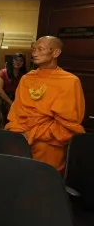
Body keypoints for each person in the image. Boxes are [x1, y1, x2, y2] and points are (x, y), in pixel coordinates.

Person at [6, 36, 85, 172]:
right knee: (16, 180)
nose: (34, 53)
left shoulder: (70, 81)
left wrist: (33, 133)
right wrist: (18, 131)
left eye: (40, 49)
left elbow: (68, 123)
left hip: (48, 144)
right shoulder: (26, 78)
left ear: (56, 53)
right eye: (34, 49)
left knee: (43, 184)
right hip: (21, 139)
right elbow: (16, 111)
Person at [0, 53, 27, 125]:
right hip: (4, 98)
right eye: (15, 60)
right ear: (11, 61)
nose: (18, 62)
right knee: (3, 120)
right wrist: (10, 102)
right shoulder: (3, 72)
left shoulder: (24, 74)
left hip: (18, 99)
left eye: (21, 60)